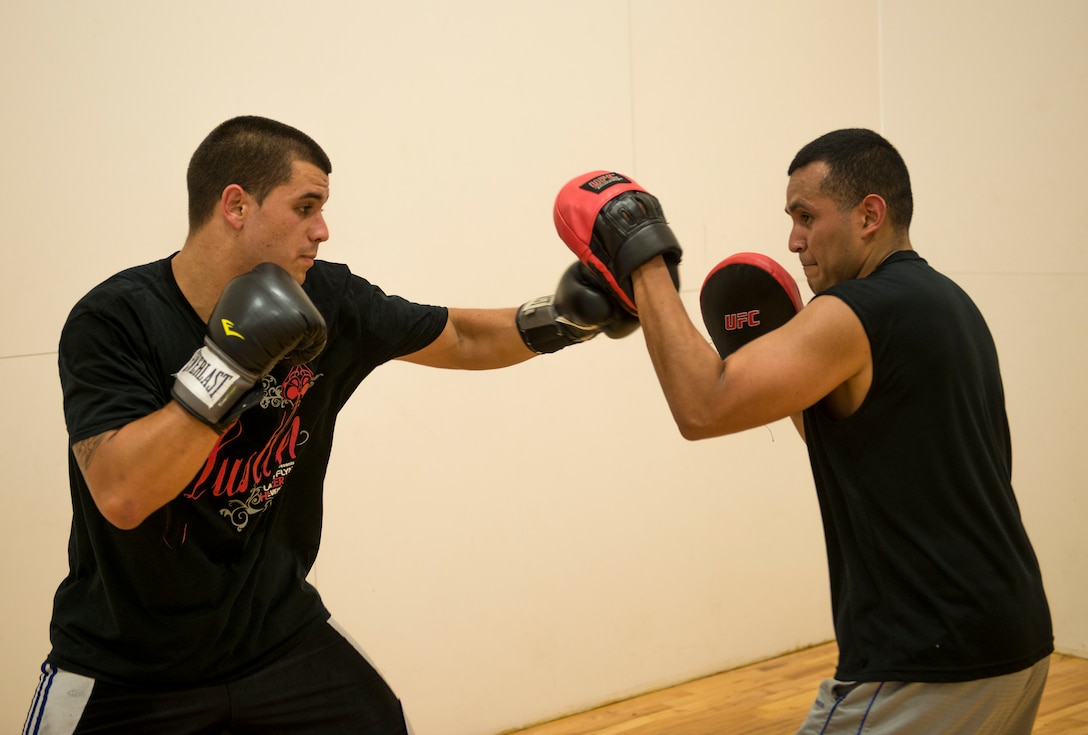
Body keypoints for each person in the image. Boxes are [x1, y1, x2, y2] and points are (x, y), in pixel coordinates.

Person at [23, 115, 634, 735]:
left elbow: (460, 336)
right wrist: (230, 361)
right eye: (305, 206)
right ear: (236, 205)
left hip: (276, 640)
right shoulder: (114, 319)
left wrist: (568, 318)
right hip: (126, 669)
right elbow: (122, 494)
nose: (322, 230)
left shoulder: (327, 297)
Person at [555, 129, 1053, 734]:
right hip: (1014, 642)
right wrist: (766, 348)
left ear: (870, 214)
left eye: (806, 217)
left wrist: (643, 254)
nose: (793, 240)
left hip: (924, 660)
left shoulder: (853, 314)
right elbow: (861, 447)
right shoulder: (949, 304)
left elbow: (702, 408)